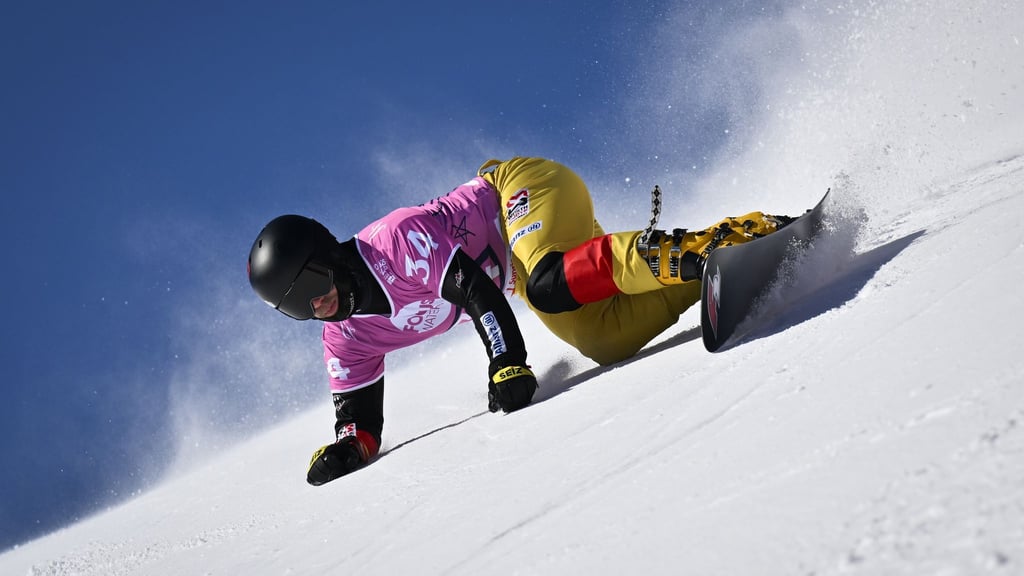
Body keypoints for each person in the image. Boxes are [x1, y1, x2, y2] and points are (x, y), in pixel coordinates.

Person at [247, 157, 792, 485]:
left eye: (315, 288)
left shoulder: (392, 245)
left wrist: (507, 361)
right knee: (607, 338)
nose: (318, 307)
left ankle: (702, 247)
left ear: (328, 257)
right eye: (298, 307)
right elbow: (361, 421)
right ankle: (703, 276)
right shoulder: (345, 338)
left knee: (547, 285)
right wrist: (350, 448)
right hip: (527, 266)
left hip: (520, 192)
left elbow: (473, 289)